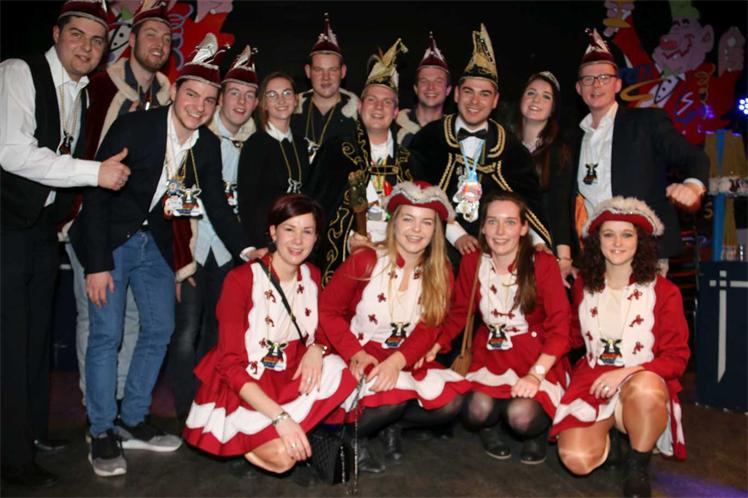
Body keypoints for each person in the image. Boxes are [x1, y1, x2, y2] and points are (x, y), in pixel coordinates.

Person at [69, 33, 251, 477]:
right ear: (175, 92)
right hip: (108, 239)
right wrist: (97, 265)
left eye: (209, 100)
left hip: (153, 243)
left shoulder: (206, 145)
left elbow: (216, 206)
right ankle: (101, 429)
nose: (199, 106)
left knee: (160, 329)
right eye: (192, 94)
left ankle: (132, 419)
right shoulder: (136, 126)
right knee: (107, 334)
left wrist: (250, 249)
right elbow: (97, 195)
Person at [0, 0, 130, 487]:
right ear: (56, 34)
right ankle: (12, 459)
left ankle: (32, 433)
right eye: (77, 34)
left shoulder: (82, 93)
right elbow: (12, 151)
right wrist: (96, 173)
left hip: (39, 230)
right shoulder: (18, 72)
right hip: (6, 225)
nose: (87, 47)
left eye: (97, 40)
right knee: (11, 341)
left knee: (35, 336)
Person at [183, 194, 357, 476]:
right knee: (283, 459)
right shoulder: (240, 280)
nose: (298, 240)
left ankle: (289, 433)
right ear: (273, 232)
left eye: (307, 231)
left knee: (344, 372)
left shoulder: (312, 275)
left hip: (289, 371)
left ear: (316, 238)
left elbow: (324, 327)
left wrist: (317, 349)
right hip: (247, 379)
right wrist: (281, 418)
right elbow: (229, 364)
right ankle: (256, 437)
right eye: (289, 229)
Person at [66, 0, 173, 424]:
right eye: (151, 34)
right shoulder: (99, 87)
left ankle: (122, 410)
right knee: (98, 324)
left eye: (166, 38)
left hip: (141, 232)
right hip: (94, 220)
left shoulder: (170, 95)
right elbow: (76, 147)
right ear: (132, 40)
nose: (158, 43)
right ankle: (97, 414)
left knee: (135, 322)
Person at [318, 181, 469, 473]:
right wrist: (356, 354)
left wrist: (397, 362)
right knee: (392, 399)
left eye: (427, 222)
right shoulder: (366, 260)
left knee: (452, 404)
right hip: (356, 352)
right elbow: (328, 310)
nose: (416, 230)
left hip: (404, 356)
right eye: (408, 219)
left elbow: (430, 328)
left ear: (436, 230)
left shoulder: (441, 271)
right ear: (394, 222)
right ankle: (350, 436)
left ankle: (391, 425)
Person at [552, 196, 689, 497]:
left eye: (627, 234)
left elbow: (677, 358)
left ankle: (637, 463)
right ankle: (611, 436)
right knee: (576, 459)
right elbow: (572, 336)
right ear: (597, 240)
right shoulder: (583, 285)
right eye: (608, 234)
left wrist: (626, 372)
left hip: (641, 380)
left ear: (640, 241)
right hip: (593, 379)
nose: (617, 243)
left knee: (645, 388)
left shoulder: (664, 291)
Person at [431, 192, 571, 464]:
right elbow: (460, 313)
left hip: (535, 354)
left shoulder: (542, 264)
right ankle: (491, 427)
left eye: (510, 222)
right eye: (493, 222)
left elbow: (560, 328)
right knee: (475, 411)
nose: (500, 231)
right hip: (490, 354)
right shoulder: (473, 262)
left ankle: (536, 433)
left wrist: (535, 376)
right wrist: (436, 345)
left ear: (524, 228)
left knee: (522, 416)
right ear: (482, 227)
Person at [168, 44, 261, 427]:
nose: (241, 102)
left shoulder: (257, 143)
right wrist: (179, 261)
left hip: (229, 250)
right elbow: (175, 199)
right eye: (234, 92)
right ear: (219, 98)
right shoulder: (198, 135)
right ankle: (184, 410)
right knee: (186, 330)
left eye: (249, 95)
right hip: (193, 247)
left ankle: (209, 405)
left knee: (220, 332)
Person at [409, 24, 552, 267]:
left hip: (493, 256)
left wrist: (538, 243)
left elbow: (528, 202)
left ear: (495, 100)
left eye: (485, 94)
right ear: (456, 94)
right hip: (434, 251)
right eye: (468, 92)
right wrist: (456, 234)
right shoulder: (429, 138)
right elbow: (417, 196)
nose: (475, 101)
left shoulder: (510, 148)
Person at [572, 29, 709, 271]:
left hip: (643, 252)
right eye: (588, 79)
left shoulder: (647, 122)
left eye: (604, 77)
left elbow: (693, 156)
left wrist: (692, 186)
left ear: (617, 84)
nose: (596, 84)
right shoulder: (573, 138)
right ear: (578, 88)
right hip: (594, 254)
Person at [303, 39, 413, 284]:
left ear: (396, 112)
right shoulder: (336, 151)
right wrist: (348, 240)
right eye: (372, 100)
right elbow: (313, 211)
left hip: (395, 267)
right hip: (345, 264)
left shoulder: (409, 161)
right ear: (361, 106)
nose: (378, 107)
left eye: (387, 102)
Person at [237, 72, 310, 250]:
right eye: (272, 95)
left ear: (296, 100)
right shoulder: (254, 145)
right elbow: (247, 204)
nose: (281, 100)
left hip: (298, 240)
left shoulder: (300, 144)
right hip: (266, 241)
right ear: (264, 103)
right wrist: (259, 246)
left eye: (287, 93)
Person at [513, 71, 575, 279]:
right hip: (505, 240)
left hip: (544, 245)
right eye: (531, 93)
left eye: (546, 96)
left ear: (553, 108)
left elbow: (560, 206)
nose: (536, 100)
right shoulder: (503, 144)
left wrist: (563, 258)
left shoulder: (559, 150)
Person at [291, 13, 359, 163]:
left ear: (343, 72)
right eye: (318, 70)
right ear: (308, 71)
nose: (326, 77)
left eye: (332, 70)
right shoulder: (290, 111)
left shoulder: (359, 116)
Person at [396, 32, 451, 147]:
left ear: (448, 90)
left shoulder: (454, 134)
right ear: (415, 88)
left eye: (438, 81)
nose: (431, 87)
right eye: (424, 81)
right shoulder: (393, 127)